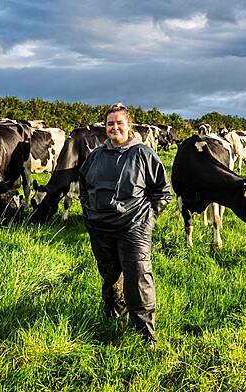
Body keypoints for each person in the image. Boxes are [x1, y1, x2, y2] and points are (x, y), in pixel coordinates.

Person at [79, 103, 171, 346]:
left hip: (134, 228)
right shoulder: (96, 156)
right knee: (109, 275)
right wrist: (89, 215)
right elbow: (84, 188)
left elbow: (163, 191)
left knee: (138, 277)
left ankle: (145, 334)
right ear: (105, 127)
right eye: (110, 123)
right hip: (100, 228)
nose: (114, 127)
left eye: (119, 123)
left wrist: (148, 219)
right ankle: (113, 319)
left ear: (129, 126)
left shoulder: (143, 154)